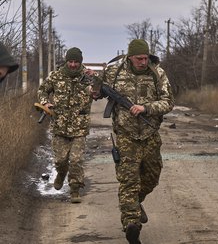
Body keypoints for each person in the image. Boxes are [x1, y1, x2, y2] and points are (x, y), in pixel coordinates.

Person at [97, 39, 173, 244]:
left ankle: (135, 204)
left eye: (145, 58)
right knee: (128, 182)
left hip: (150, 135)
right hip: (125, 137)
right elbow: (96, 92)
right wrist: (92, 85)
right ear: (130, 57)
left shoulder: (157, 73)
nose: (143, 61)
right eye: (139, 58)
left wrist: (146, 108)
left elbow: (168, 102)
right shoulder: (113, 72)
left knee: (151, 178)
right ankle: (131, 224)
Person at [37, 47, 95, 203]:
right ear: (66, 61)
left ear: (80, 62)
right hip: (59, 126)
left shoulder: (88, 77)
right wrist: (45, 102)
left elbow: (101, 90)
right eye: (71, 61)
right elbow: (43, 90)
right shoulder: (56, 76)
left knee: (76, 160)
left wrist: (96, 78)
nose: (74, 65)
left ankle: (75, 190)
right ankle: (61, 173)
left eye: (76, 62)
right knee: (60, 160)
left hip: (79, 127)